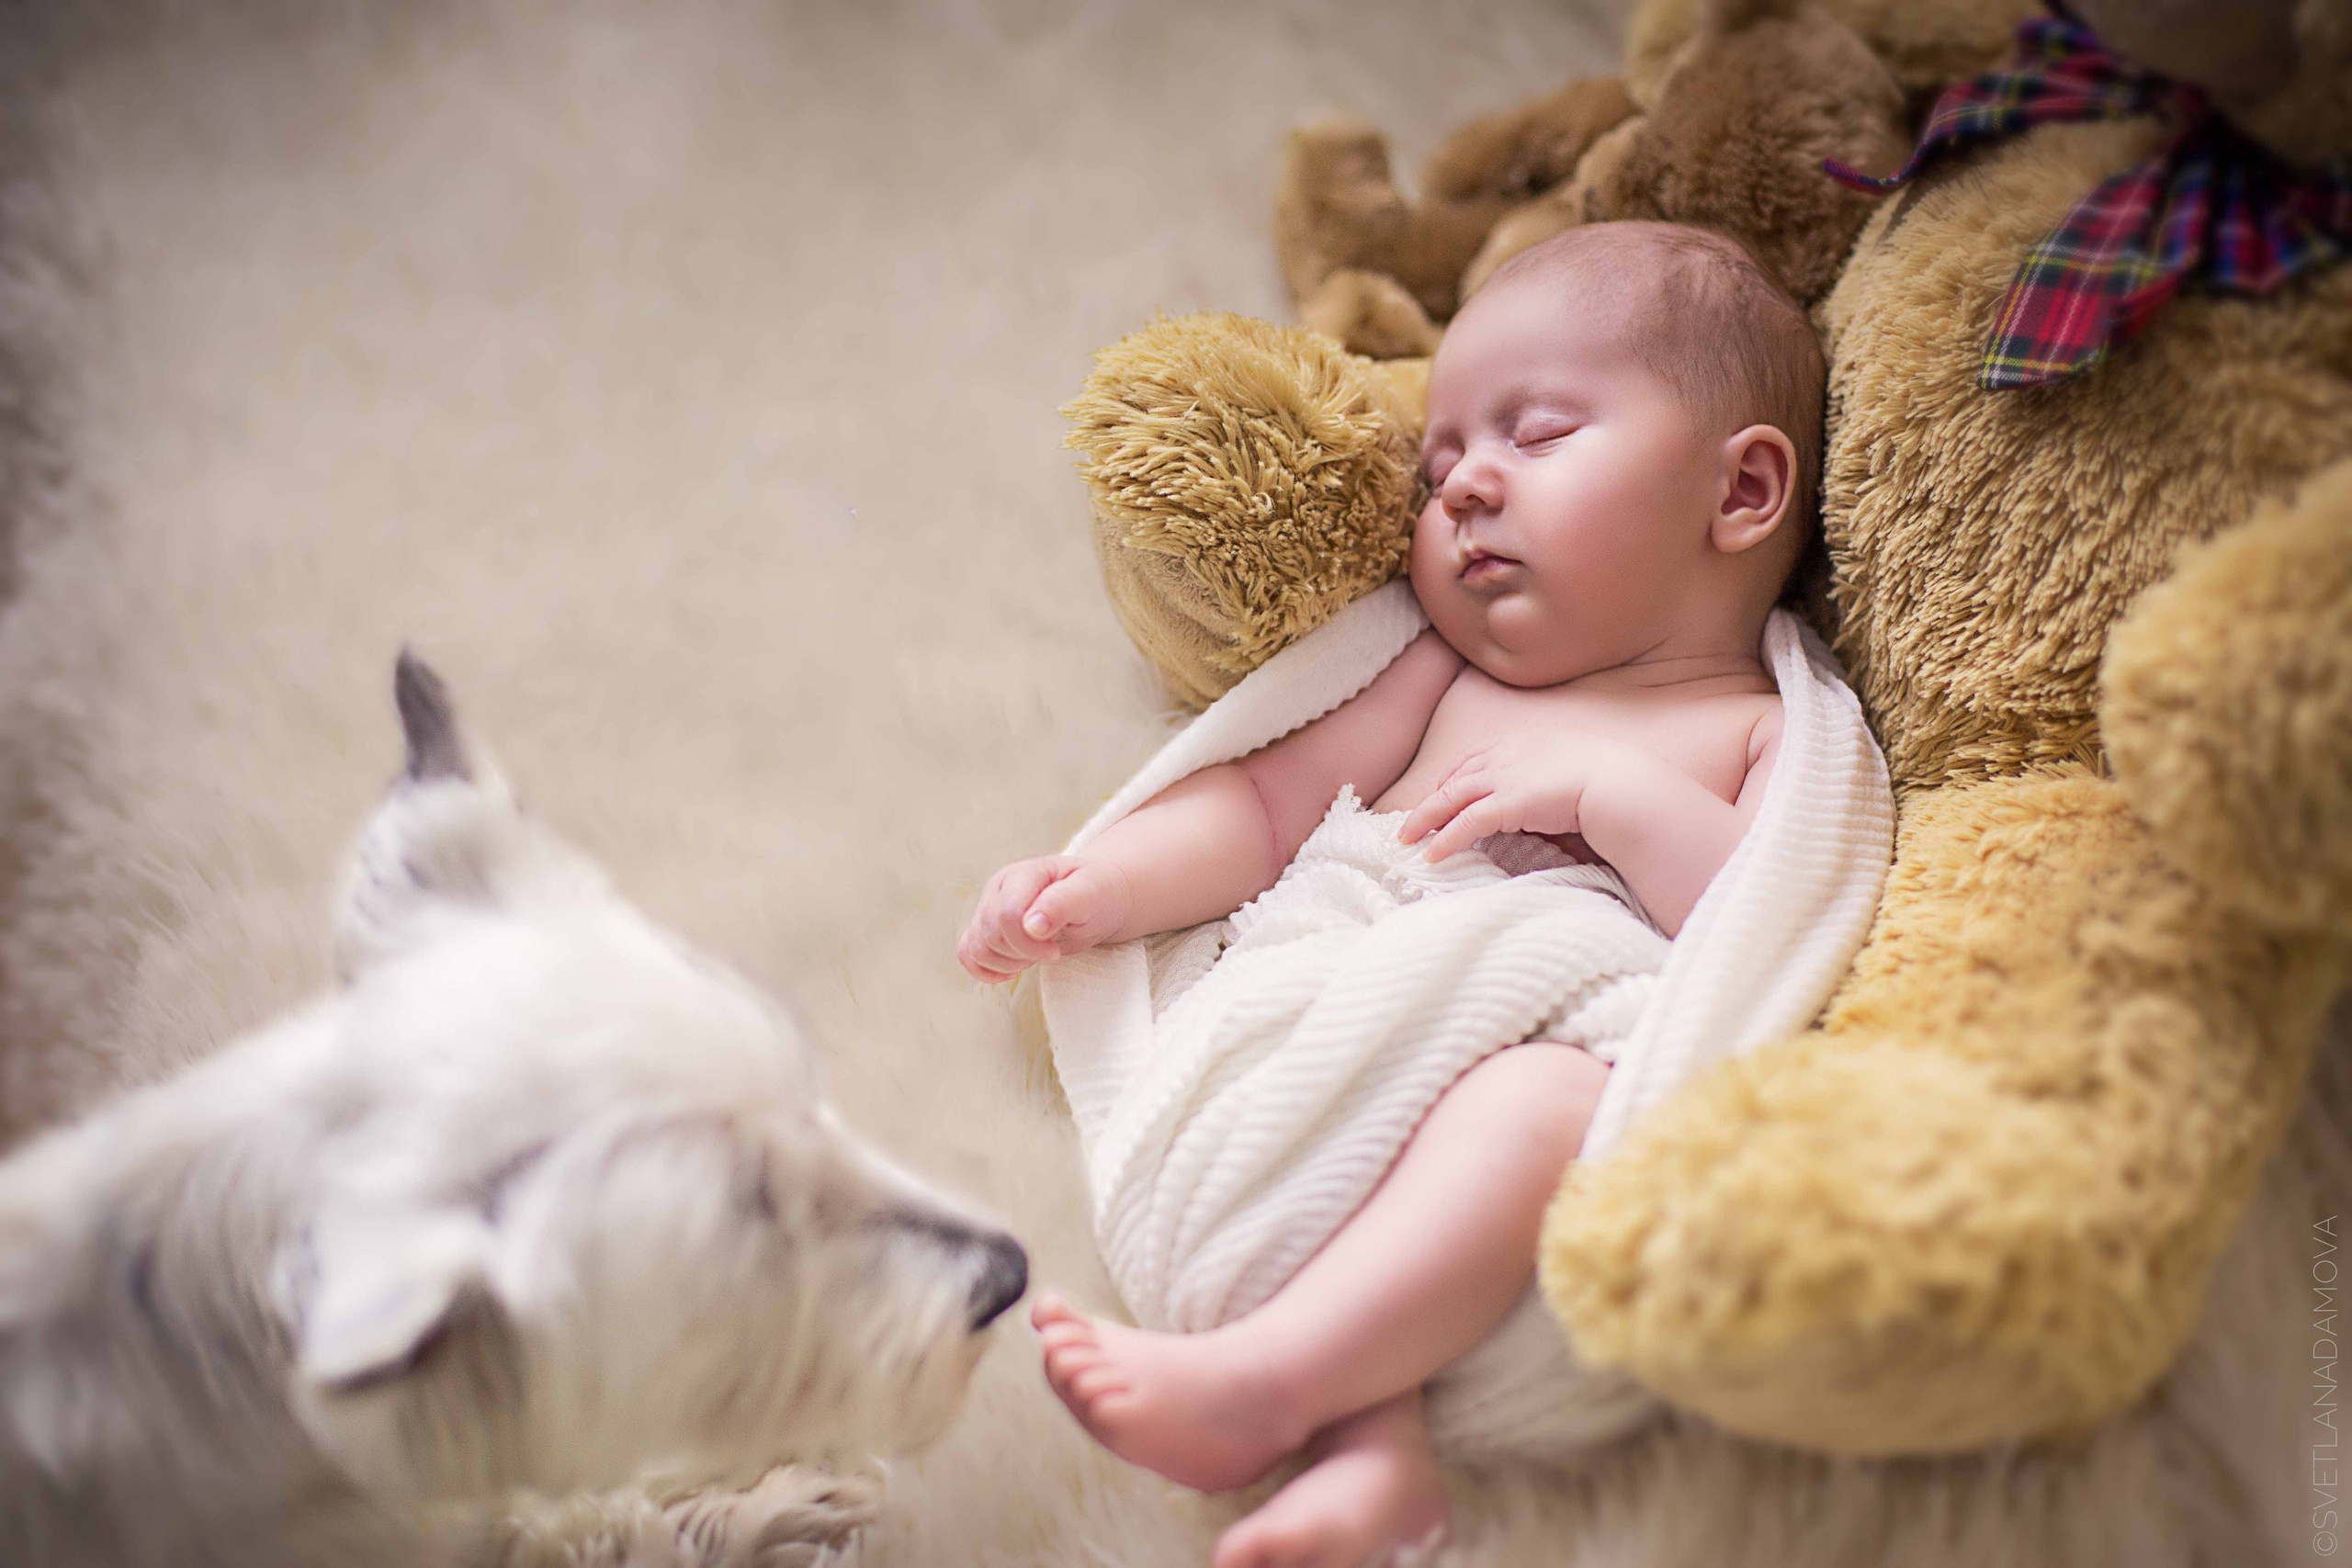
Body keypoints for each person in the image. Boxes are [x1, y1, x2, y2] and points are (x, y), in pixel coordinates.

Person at [960, 220, 1825, 1568]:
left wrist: (1618, 801)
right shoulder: (1442, 677)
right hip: (1328, 1025)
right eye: (1439, 470)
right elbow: (1260, 805)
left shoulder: (1766, 731)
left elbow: (1769, 941)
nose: (1467, 486)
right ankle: (1378, 1461)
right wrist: (1093, 886)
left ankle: (1274, 1386)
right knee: (1373, 1153)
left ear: (1742, 493)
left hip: (1555, 1062)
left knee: (1541, 1107)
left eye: (1535, 435)